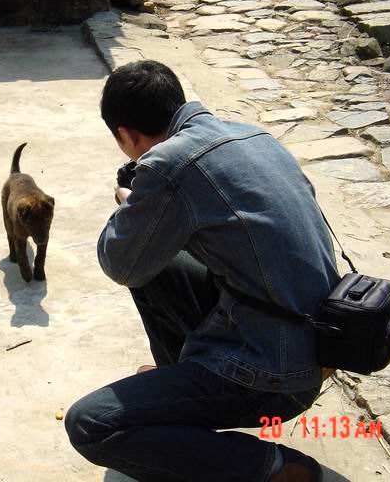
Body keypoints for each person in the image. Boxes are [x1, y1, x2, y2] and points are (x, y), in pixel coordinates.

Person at [65, 60, 340, 482]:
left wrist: (129, 203)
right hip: (317, 346)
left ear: (127, 135)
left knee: (90, 424)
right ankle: (179, 391)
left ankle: (275, 469)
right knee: (159, 267)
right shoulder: (253, 136)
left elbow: (118, 263)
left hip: (273, 376)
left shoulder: (167, 164)